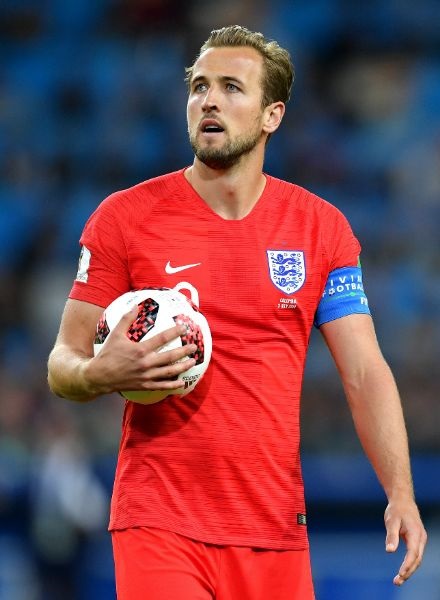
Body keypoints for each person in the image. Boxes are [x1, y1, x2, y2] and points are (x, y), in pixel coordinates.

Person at [47, 25, 427, 600]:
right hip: (159, 519)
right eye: (199, 87)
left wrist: (400, 491)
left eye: (231, 87)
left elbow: (364, 371)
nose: (209, 100)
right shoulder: (124, 219)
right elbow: (62, 363)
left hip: (275, 526)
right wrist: (98, 373)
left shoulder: (320, 229)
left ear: (272, 115)